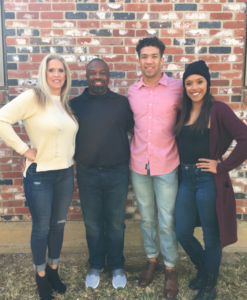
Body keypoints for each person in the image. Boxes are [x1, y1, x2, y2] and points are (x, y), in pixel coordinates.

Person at [0, 54, 78, 300]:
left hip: (65, 173)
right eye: (51, 70)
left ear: (66, 75)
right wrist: (24, 150)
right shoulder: (34, 97)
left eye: (61, 70)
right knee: (41, 228)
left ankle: (53, 270)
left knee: (58, 226)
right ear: (44, 73)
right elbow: (2, 119)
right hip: (39, 176)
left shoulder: (63, 102)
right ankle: (41, 276)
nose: (57, 75)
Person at [174, 60, 247, 300]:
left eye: (199, 81)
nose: (194, 87)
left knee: (210, 236)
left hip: (208, 180)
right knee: (182, 232)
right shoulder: (183, 110)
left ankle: (209, 284)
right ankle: (204, 269)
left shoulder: (219, 110)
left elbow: (244, 138)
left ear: (208, 83)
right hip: (186, 179)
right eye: (189, 83)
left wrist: (223, 165)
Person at [69, 58, 134, 290]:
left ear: (109, 76)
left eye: (102, 72)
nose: (98, 77)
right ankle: (96, 264)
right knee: (93, 224)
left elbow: (134, 130)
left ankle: (117, 265)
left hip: (117, 172)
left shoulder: (121, 103)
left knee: (116, 224)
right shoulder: (75, 104)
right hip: (87, 174)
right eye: (92, 73)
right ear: (85, 76)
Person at [127, 37, 183, 299]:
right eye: (143, 56)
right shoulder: (132, 91)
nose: (148, 61)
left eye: (153, 56)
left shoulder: (178, 88)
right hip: (139, 165)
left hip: (167, 164)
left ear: (162, 59)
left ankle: (170, 267)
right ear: (138, 59)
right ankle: (152, 259)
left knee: (167, 219)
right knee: (147, 217)